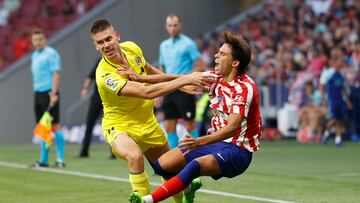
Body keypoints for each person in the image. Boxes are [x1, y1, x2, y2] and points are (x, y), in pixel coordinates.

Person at [129, 31, 262, 203]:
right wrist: (140, 78)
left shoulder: (245, 88)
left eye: (222, 54)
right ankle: (189, 187)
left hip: (238, 150)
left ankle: (147, 200)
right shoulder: (215, 78)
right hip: (214, 143)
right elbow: (178, 78)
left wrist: (199, 141)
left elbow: (232, 128)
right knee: (162, 167)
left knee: (195, 166)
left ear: (235, 62)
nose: (216, 55)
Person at [90, 19, 214, 200]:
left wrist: (180, 84)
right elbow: (146, 92)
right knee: (135, 156)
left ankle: (186, 194)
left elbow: (148, 70)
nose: (106, 45)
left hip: (147, 123)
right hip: (119, 126)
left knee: (168, 167)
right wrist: (185, 79)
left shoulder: (131, 48)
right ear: (96, 46)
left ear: (117, 36)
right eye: (100, 42)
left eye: (108, 39)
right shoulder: (105, 75)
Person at [159, 14, 204, 149]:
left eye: (175, 25)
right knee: (169, 125)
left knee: (189, 124)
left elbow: (200, 66)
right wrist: (159, 91)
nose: (172, 28)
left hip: (185, 89)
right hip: (169, 89)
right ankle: (174, 159)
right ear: (166, 27)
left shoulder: (188, 44)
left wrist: (185, 79)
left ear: (180, 25)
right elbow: (161, 69)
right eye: (170, 25)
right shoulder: (163, 45)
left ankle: (197, 155)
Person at [30, 28, 65, 168]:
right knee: (43, 126)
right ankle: (43, 160)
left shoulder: (51, 54)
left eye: (40, 39)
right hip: (38, 93)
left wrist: (53, 93)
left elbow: (56, 73)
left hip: (48, 93)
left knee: (55, 126)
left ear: (45, 40)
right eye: (35, 40)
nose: (37, 42)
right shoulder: (34, 55)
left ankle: (60, 160)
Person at [78, 57, 115, 159]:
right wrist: (85, 88)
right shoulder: (100, 61)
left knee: (112, 125)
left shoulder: (116, 62)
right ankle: (84, 151)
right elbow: (90, 77)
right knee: (89, 124)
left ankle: (114, 152)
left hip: (109, 98)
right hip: (96, 97)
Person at [320, 49, 352, 147]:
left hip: (340, 99)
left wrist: (347, 101)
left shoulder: (342, 74)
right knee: (333, 119)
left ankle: (338, 140)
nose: (342, 64)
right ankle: (326, 134)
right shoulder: (328, 73)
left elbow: (343, 89)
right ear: (335, 63)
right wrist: (324, 99)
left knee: (340, 119)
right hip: (332, 99)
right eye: (340, 62)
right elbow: (322, 85)